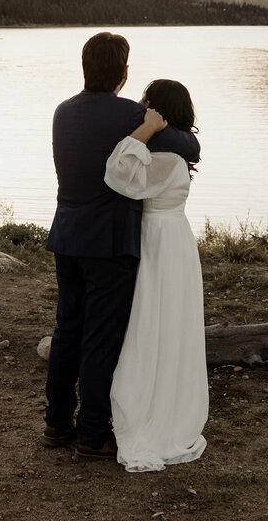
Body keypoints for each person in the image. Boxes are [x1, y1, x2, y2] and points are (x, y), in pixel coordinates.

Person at [42, 33, 201, 459]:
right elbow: (190, 146)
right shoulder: (131, 115)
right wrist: (153, 123)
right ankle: (92, 434)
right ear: (124, 72)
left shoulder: (62, 112)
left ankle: (57, 421)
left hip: (67, 236)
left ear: (84, 67)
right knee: (100, 338)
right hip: (108, 244)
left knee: (67, 328)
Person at [104, 79, 208, 472]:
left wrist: (145, 129)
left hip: (157, 242)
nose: (140, 105)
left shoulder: (163, 157)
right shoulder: (175, 152)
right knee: (171, 322)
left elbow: (117, 172)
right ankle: (170, 397)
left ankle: (148, 408)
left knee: (150, 322)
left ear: (158, 110)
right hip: (176, 240)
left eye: (146, 101)